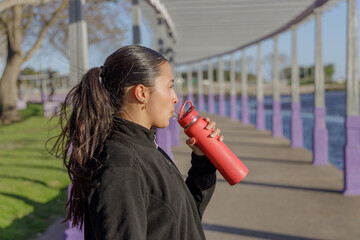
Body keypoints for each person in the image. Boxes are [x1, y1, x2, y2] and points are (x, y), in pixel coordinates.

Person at [51, 45, 223, 239]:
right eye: (169, 86)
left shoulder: (147, 148)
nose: (175, 98)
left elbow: (182, 221)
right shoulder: (121, 167)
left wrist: (203, 162)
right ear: (141, 93)